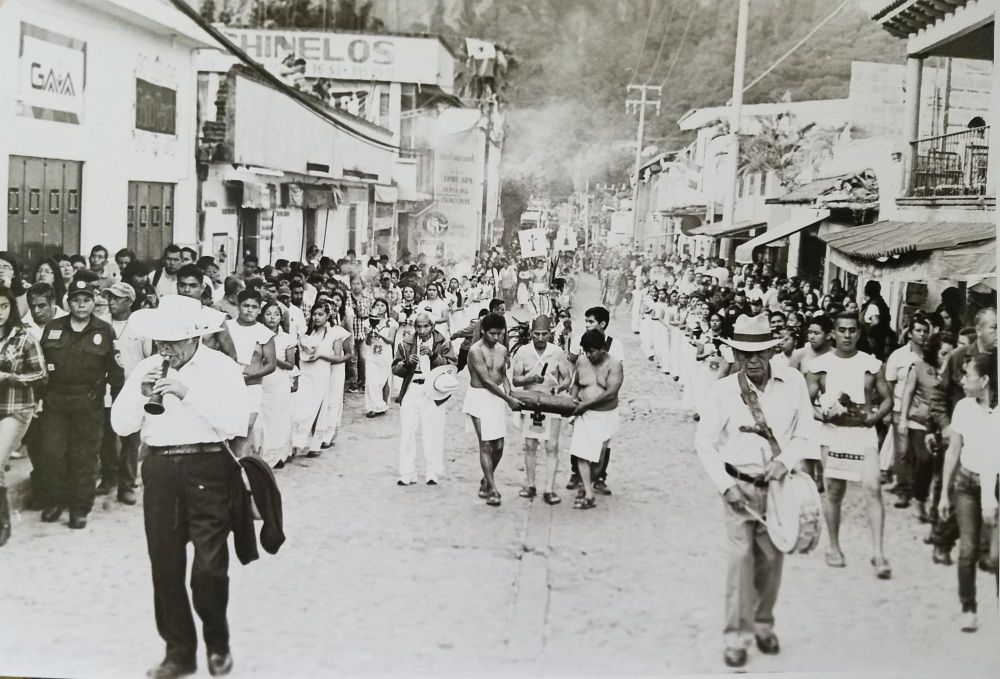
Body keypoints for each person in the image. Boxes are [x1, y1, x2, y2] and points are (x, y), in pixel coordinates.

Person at [110, 294, 250, 679]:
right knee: (165, 567)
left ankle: (217, 642)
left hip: (209, 467)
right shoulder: (147, 368)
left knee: (208, 567)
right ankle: (179, 652)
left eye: (172, 339)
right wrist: (142, 396)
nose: (164, 347)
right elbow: (121, 426)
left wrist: (187, 394)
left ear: (195, 337)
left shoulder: (221, 367)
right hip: (159, 469)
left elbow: (237, 422)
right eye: (160, 339)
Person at [695, 313, 816, 668]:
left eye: (759, 353)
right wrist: (725, 485)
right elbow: (704, 444)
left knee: (772, 560)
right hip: (738, 489)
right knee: (740, 562)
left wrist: (786, 461)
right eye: (744, 354)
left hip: (778, 488)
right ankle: (736, 636)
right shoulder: (722, 391)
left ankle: (763, 624)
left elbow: (806, 432)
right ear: (734, 353)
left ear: (772, 351)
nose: (752, 361)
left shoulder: (794, 383)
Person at [807, 312, 893, 578]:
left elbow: (888, 399)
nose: (847, 335)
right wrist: (822, 414)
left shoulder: (871, 364)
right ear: (833, 333)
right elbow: (805, 401)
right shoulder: (819, 366)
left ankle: (878, 554)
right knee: (833, 491)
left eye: (852, 330)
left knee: (873, 487)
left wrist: (874, 417)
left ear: (859, 333)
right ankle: (834, 547)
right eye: (841, 330)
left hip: (862, 434)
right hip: (832, 434)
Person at [35, 280, 124, 529]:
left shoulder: (104, 330)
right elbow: (41, 366)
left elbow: (115, 370)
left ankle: (79, 508)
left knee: (83, 457)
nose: (81, 304)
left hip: (88, 402)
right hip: (55, 402)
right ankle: (55, 502)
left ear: (94, 302)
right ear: (68, 302)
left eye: (86, 299)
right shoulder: (53, 327)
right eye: (76, 299)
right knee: (52, 454)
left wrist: (118, 401)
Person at [937, 351, 999, 633]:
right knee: (968, 549)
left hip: (995, 485)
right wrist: (943, 494)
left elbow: (991, 458)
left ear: (985, 380)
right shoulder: (962, 407)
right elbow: (953, 450)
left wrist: (989, 501)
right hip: (966, 484)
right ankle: (968, 608)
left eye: (968, 375)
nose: (962, 380)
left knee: (996, 556)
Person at [0, 285, 47, 547]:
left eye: (4, 306)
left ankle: (2, 525)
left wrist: (10, 377)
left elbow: (41, 375)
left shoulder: (24, 337)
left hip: (16, 408)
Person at [98, 282, 152, 504]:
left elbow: (149, 358)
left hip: (132, 387)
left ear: (129, 301)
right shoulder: (101, 323)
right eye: (109, 297)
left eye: (117, 298)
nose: (112, 301)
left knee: (130, 438)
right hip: (106, 386)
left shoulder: (141, 326)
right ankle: (108, 478)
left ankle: (127, 484)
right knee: (106, 436)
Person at [510, 315, 572, 505]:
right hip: (530, 403)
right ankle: (530, 484)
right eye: (536, 334)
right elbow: (515, 380)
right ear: (531, 333)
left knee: (551, 446)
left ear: (550, 334)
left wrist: (558, 388)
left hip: (550, 403)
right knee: (530, 445)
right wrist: (531, 379)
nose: (540, 338)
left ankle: (549, 489)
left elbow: (567, 377)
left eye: (544, 334)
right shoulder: (523, 352)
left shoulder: (557, 352)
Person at [393, 311, 457, 485]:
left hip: (433, 389)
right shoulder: (406, 342)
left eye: (426, 326)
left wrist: (433, 356)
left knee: (433, 430)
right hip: (413, 387)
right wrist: (407, 364)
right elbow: (395, 369)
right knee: (408, 430)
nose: (422, 330)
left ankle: (433, 471)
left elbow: (452, 366)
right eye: (419, 326)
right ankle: (407, 473)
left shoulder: (442, 341)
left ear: (433, 326)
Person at [464, 312, 522, 505]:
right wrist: (508, 399)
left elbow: (502, 374)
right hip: (479, 398)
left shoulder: (503, 350)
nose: (496, 337)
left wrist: (509, 390)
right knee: (486, 444)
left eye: (499, 333)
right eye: (492, 333)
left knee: (499, 446)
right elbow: (487, 381)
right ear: (483, 331)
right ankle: (493, 489)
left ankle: (486, 479)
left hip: (497, 398)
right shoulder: (475, 350)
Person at [567, 306, 625, 494]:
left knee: (600, 450)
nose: (587, 325)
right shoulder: (581, 347)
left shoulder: (614, 351)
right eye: (586, 321)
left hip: (604, 410)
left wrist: (586, 405)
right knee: (580, 447)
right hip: (584, 409)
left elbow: (611, 391)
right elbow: (575, 373)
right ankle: (581, 480)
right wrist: (573, 401)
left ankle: (598, 478)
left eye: (591, 321)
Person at [292, 303, 351, 458]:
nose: (316, 317)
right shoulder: (308, 333)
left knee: (320, 407)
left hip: (322, 373)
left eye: (320, 314)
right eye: (314, 314)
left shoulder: (333, 333)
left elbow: (338, 357)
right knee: (302, 406)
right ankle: (297, 441)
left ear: (327, 316)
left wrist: (320, 356)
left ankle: (316, 443)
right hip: (306, 372)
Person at [884, 313, 930, 509]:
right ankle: (903, 490)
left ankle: (919, 490)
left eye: (925, 331)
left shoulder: (930, 355)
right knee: (902, 452)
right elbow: (889, 381)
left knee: (922, 454)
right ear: (910, 334)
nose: (922, 334)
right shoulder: (899, 355)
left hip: (921, 411)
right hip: (899, 407)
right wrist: (888, 408)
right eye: (918, 331)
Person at [225, 289, 276, 458]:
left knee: (245, 428)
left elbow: (271, 364)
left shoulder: (264, 333)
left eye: (254, 307)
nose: (249, 310)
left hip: (252, 387)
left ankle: (241, 467)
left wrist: (252, 376)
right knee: (227, 429)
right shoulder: (227, 327)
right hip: (228, 387)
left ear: (259, 309)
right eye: (245, 305)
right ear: (238, 306)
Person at [259, 301, 296, 468]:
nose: (272, 318)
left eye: (276, 314)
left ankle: (280, 454)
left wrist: (274, 360)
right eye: (268, 314)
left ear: (281, 318)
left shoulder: (286, 338)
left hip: (279, 381)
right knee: (264, 417)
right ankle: (265, 454)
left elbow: (290, 364)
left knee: (280, 416)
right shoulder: (257, 335)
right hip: (262, 380)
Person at [362, 298, 397, 418]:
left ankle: (382, 406)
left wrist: (380, 334)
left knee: (383, 380)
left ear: (386, 308)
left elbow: (391, 340)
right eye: (377, 305)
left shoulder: (391, 322)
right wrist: (369, 334)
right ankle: (371, 407)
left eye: (383, 305)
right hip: (372, 354)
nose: (380, 307)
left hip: (385, 354)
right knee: (371, 381)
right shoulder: (368, 322)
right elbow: (367, 342)